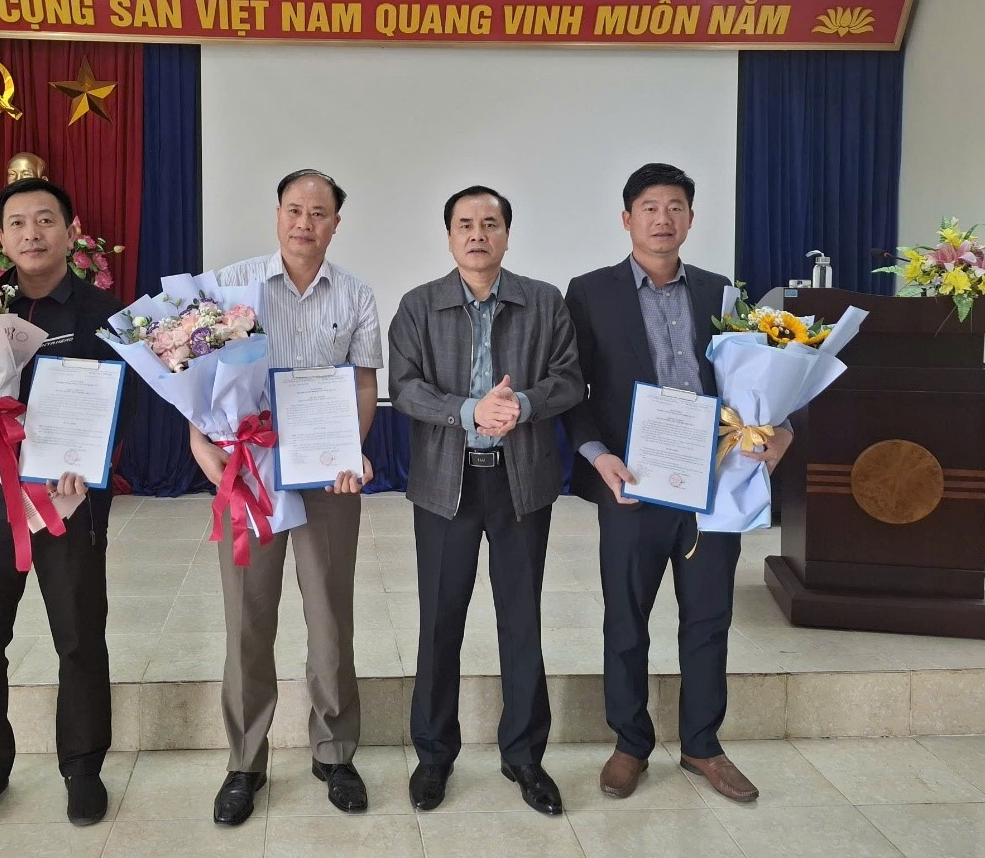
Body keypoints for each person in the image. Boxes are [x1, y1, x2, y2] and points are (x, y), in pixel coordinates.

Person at [564, 163, 793, 804]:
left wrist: (778, 430)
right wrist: (598, 456)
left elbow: (756, 380)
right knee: (626, 619)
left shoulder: (721, 293)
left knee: (709, 616)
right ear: (627, 218)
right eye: (649, 207)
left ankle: (702, 745)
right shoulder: (590, 292)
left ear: (691, 218)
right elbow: (571, 389)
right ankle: (629, 743)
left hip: (713, 482)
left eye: (675, 207)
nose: (662, 219)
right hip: (632, 483)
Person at [189, 168, 383, 826]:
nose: (305, 222)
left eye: (319, 213)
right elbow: (196, 377)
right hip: (247, 471)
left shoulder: (356, 294)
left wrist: (348, 451)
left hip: (326, 477)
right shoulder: (231, 286)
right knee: (248, 617)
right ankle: (245, 760)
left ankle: (334, 752)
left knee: (330, 616)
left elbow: (363, 384)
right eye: (294, 210)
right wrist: (198, 440)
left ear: (335, 224)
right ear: (277, 214)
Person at [0, 177, 132, 832]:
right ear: (0, 238)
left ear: (70, 233)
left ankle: (83, 767)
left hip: (66, 504)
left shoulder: (104, 314)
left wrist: (90, 463)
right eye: (18, 223)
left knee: (79, 638)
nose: (32, 233)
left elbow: (123, 405)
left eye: (45, 220)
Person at [388, 185, 584, 816]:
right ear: (449, 236)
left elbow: (569, 380)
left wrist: (521, 403)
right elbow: (405, 388)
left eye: (490, 223)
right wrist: (469, 409)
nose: (478, 234)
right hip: (445, 484)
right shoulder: (419, 306)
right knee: (439, 620)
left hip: (520, 481)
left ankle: (524, 756)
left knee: (521, 618)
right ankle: (433, 755)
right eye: (465, 224)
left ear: (507, 234)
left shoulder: (543, 301)